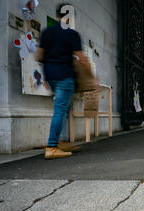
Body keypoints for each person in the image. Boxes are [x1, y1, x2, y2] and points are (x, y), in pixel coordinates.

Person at [35, 2, 93, 160]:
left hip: (52, 77)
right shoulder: (71, 34)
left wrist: (46, 76)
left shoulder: (47, 32)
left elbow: (38, 56)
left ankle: (57, 142)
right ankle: (52, 146)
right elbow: (82, 59)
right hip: (65, 77)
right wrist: (92, 77)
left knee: (63, 109)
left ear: (57, 15)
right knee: (60, 110)